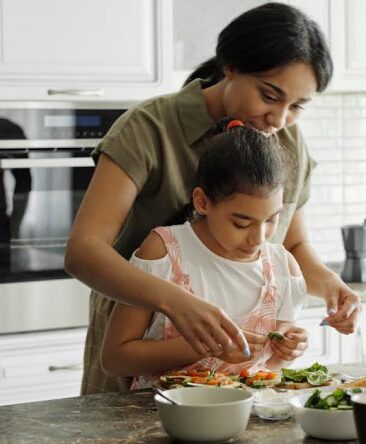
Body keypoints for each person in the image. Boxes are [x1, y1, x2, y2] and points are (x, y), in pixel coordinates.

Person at [65, 2, 362, 395]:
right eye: (269, 95)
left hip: (237, 380)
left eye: (297, 107)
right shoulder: (149, 128)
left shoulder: (287, 140)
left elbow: (291, 243)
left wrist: (330, 286)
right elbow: (83, 251)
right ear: (231, 67)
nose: (279, 119)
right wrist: (176, 302)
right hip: (139, 352)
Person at [101, 120, 309, 390]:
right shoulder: (164, 251)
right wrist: (204, 347)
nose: (259, 238)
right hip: (162, 418)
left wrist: (289, 349)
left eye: (272, 220)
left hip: (248, 418)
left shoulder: (282, 267)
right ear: (202, 202)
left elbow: (272, 366)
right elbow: (115, 359)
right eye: (241, 223)